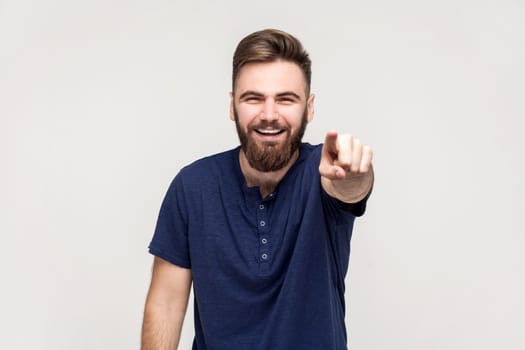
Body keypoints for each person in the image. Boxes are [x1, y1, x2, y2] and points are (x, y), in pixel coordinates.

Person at [141, 29, 374, 350]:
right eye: (253, 98)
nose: (268, 114)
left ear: (309, 108)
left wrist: (353, 174)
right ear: (232, 106)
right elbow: (165, 304)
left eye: (285, 99)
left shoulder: (324, 172)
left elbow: (351, 188)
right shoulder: (192, 186)